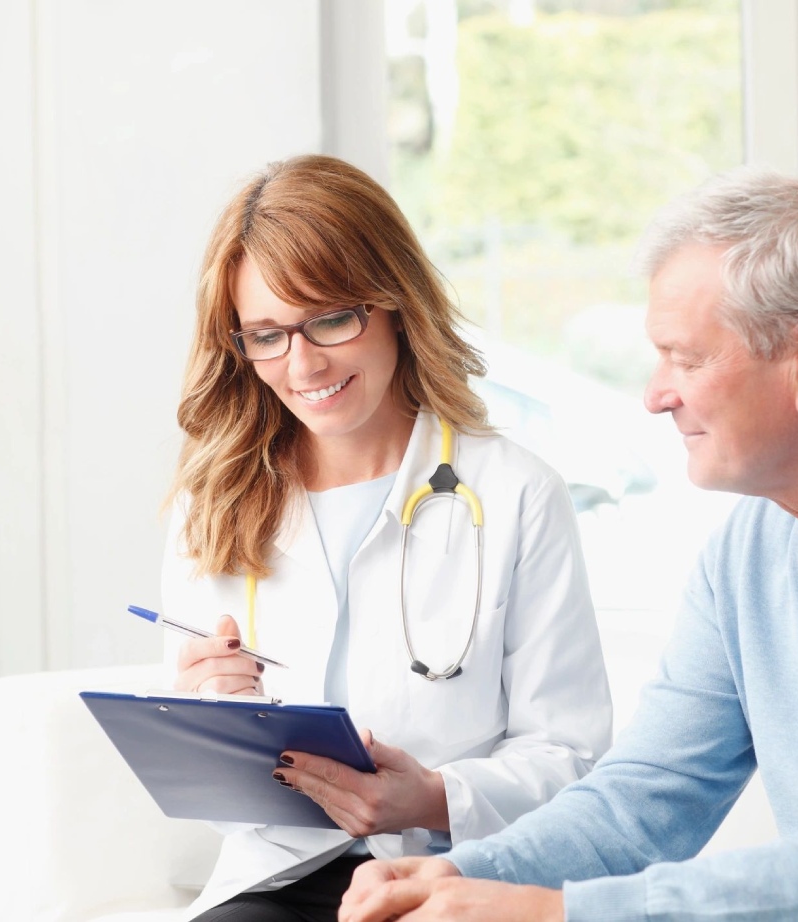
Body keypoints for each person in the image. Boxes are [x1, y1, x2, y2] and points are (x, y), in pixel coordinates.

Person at [338, 170, 798, 922]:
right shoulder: (752, 550)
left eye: (686, 359)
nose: (654, 394)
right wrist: (451, 876)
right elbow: (641, 801)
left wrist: (552, 913)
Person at [158, 154, 613, 921]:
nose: (302, 365)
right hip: (274, 879)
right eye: (266, 335)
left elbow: (571, 760)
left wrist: (431, 798)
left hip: (453, 872)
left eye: (331, 319)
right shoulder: (215, 501)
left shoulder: (515, 493)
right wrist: (208, 717)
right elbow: (208, 799)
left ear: (396, 302)